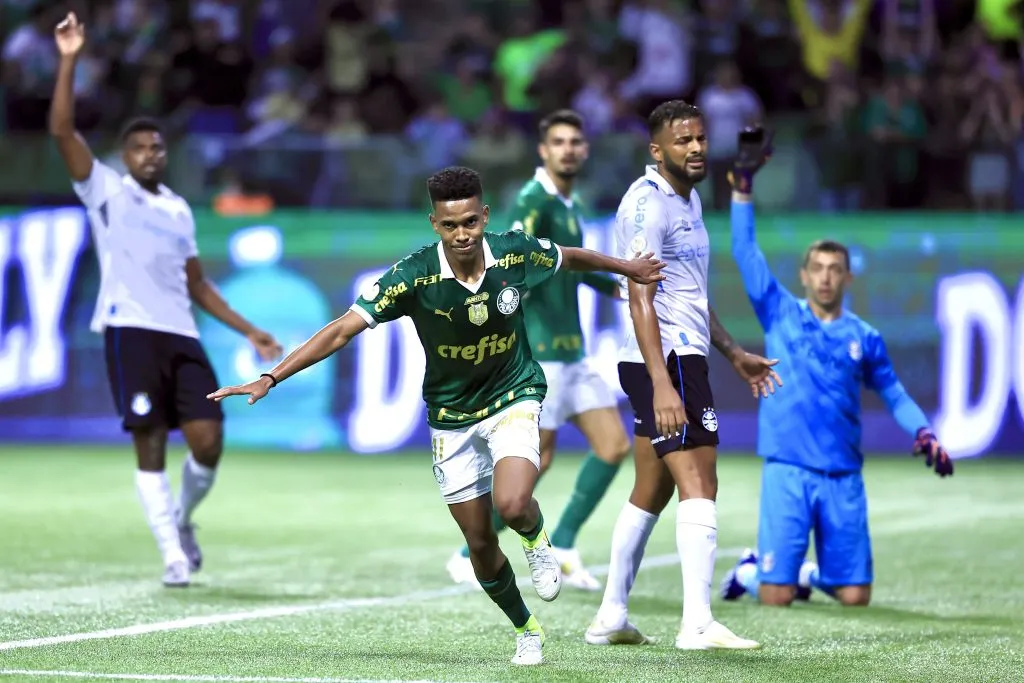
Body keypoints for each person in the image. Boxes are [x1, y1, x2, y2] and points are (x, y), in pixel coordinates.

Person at [208, 166, 668, 666]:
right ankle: (526, 628)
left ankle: (537, 541)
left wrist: (627, 268)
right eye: (450, 225)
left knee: (513, 503)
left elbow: (570, 257)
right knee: (479, 542)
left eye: (470, 222)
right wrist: (271, 376)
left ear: (484, 216)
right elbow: (341, 330)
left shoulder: (514, 252)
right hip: (451, 416)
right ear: (434, 224)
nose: (462, 234)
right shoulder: (414, 276)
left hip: (514, 394)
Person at [49, 13, 283, 588]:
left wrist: (249, 330)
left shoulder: (178, 209)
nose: (150, 154)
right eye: (139, 148)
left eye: (156, 147)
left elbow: (197, 284)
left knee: (209, 439)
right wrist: (70, 59)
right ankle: (172, 556)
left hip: (182, 334)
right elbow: (62, 131)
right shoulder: (105, 191)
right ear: (124, 156)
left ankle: (181, 520)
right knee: (149, 442)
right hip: (130, 331)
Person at [720, 126, 953, 607]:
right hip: (787, 468)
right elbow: (745, 251)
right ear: (804, 276)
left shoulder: (864, 337)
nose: (826, 277)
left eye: (835, 269)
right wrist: (742, 189)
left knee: (854, 596)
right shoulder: (779, 311)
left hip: (843, 473)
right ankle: (752, 572)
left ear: (847, 277)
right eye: (818, 269)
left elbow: (894, 393)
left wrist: (924, 431)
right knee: (776, 597)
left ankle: (803, 572)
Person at [585, 101, 780, 650]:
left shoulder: (689, 200)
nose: (696, 148)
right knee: (701, 481)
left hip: (681, 354)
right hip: (665, 359)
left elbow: (691, 292)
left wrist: (733, 352)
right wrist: (662, 382)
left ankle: (610, 616)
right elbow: (639, 297)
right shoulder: (647, 205)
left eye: (700, 138)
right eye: (683, 141)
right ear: (657, 150)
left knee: (652, 488)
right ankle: (696, 623)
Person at [445, 109, 629, 592]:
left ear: (585, 149)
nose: (569, 150)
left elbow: (569, 266)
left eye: (575, 142)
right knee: (536, 461)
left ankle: (563, 544)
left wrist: (619, 289)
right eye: (559, 142)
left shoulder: (569, 203)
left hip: (573, 354)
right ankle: (469, 553)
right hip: (540, 354)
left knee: (613, 446)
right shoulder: (534, 200)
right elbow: (511, 258)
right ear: (544, 150)